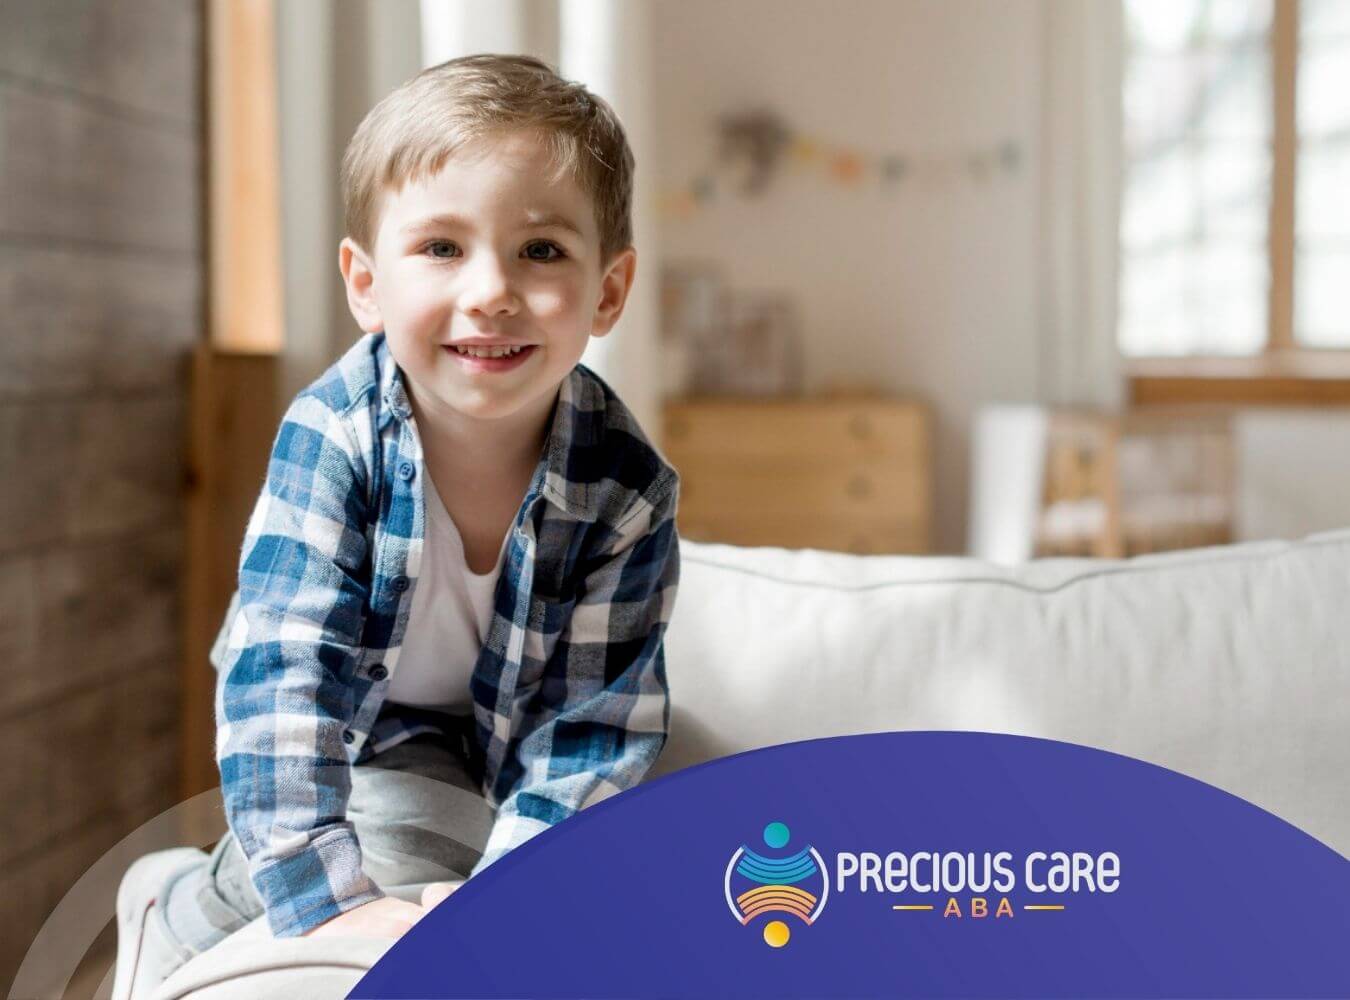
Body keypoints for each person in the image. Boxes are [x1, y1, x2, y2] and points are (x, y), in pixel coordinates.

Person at [112, 53, 680, 997]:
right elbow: (285, 674)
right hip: (342, 714)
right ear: (366, 284)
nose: (490, 291)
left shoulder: (627, 488)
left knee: (625, 881)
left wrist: (520, 894)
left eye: (541, 251)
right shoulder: (333, 436)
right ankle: (174, 914)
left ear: (609, 291)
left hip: (498, 728)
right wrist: (325, 899)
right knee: (409, 828)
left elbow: (591, 725)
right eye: (443, 248)